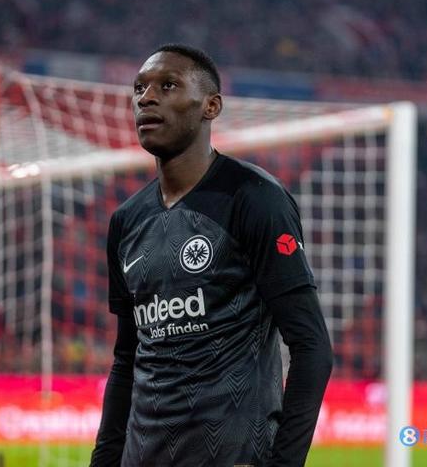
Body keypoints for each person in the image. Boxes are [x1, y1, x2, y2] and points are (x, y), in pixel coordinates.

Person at [90, 43, 332, 467]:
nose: (146, 98)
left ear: (211, 106)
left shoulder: (255, 199)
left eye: (168, 86)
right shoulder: (127, 221)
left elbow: (312, 346)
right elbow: (127, 359)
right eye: (139, 88)